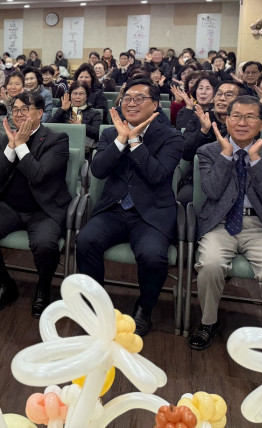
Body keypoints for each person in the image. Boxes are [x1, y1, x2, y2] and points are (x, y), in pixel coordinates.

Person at [189, 96, 262, 349]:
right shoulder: (208, 152)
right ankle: (208, 322)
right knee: (210, 264)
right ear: (226, 120)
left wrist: (255, 160)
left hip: (261, 227)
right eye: (236, 116)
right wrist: (226, 156)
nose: (242, 122)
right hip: (220, 224)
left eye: (250, 117)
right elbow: (212, 191)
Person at [76, 78, 184, 336]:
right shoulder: (110, 133)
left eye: (139, 98)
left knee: (152, 255)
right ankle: (97, 305)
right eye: (127, 98)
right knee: (85, 240)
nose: (132, 103)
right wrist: (120, 141)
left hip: (152, 213)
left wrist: (135, 142)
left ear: (155, 105)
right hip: (114, 209)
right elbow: (98, 171)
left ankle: (144, 308)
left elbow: (157, 175)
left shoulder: (171, 137)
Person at [0, 91, 72, 318]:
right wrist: (10, 146)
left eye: (24, 109)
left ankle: (43, 289)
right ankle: (3, 285)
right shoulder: (6, 138)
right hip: (10, 206)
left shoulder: (57, 139)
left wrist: (20, 146)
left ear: (40, 113)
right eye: (15, 109)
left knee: (45, 244)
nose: (18, 114)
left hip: (44, 209)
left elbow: (38, 176)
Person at [179, 81, 245, 203]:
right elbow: (185, 152)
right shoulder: (200, 117)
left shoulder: (244, 123)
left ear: (239, 101)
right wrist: (204, 131)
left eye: (228, 95)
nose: (222, 98)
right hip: (199, 176)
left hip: (234, 178)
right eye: (219, 94)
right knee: (184, 198)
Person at [49, 81, 103, 155]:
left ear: (87, 96)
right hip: (62, 148)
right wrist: (62, 109)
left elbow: (98, 133)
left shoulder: (94, 113)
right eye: (75, 93)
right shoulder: (63, 111)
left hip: (85, 150)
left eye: (81, 94)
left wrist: (82, 126)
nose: (78, 97)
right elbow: (49, 128)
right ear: (70, 95)